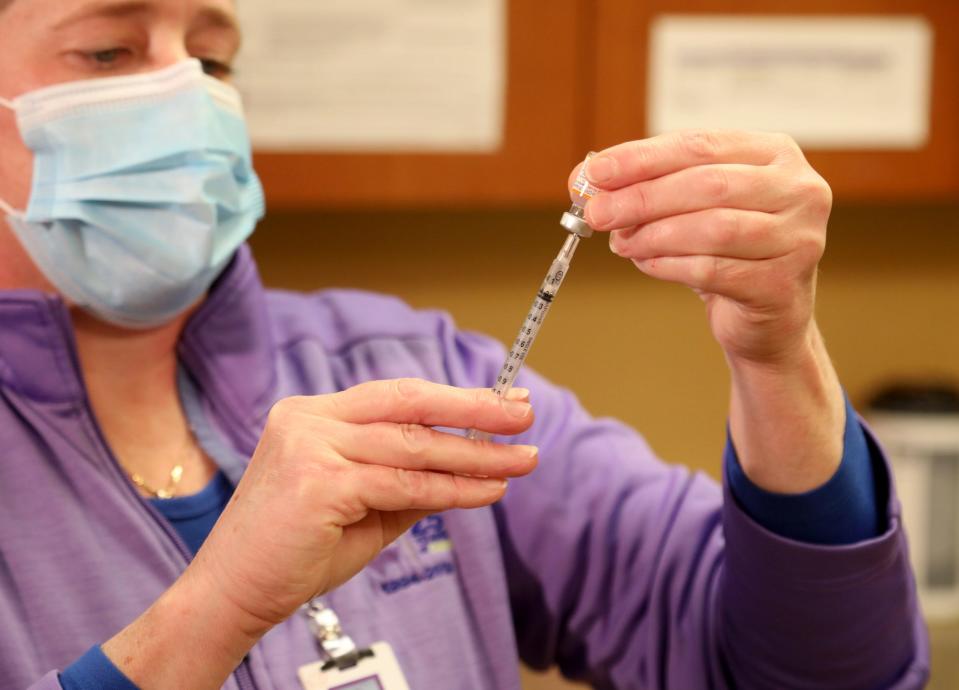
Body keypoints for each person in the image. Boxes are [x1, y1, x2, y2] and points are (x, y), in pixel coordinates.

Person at [0, 1, 928, 688]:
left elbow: (817, 670)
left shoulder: (404, 370)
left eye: (213, 59)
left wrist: (777, 355)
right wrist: (214, 614)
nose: (182, 95)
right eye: (108, 49)